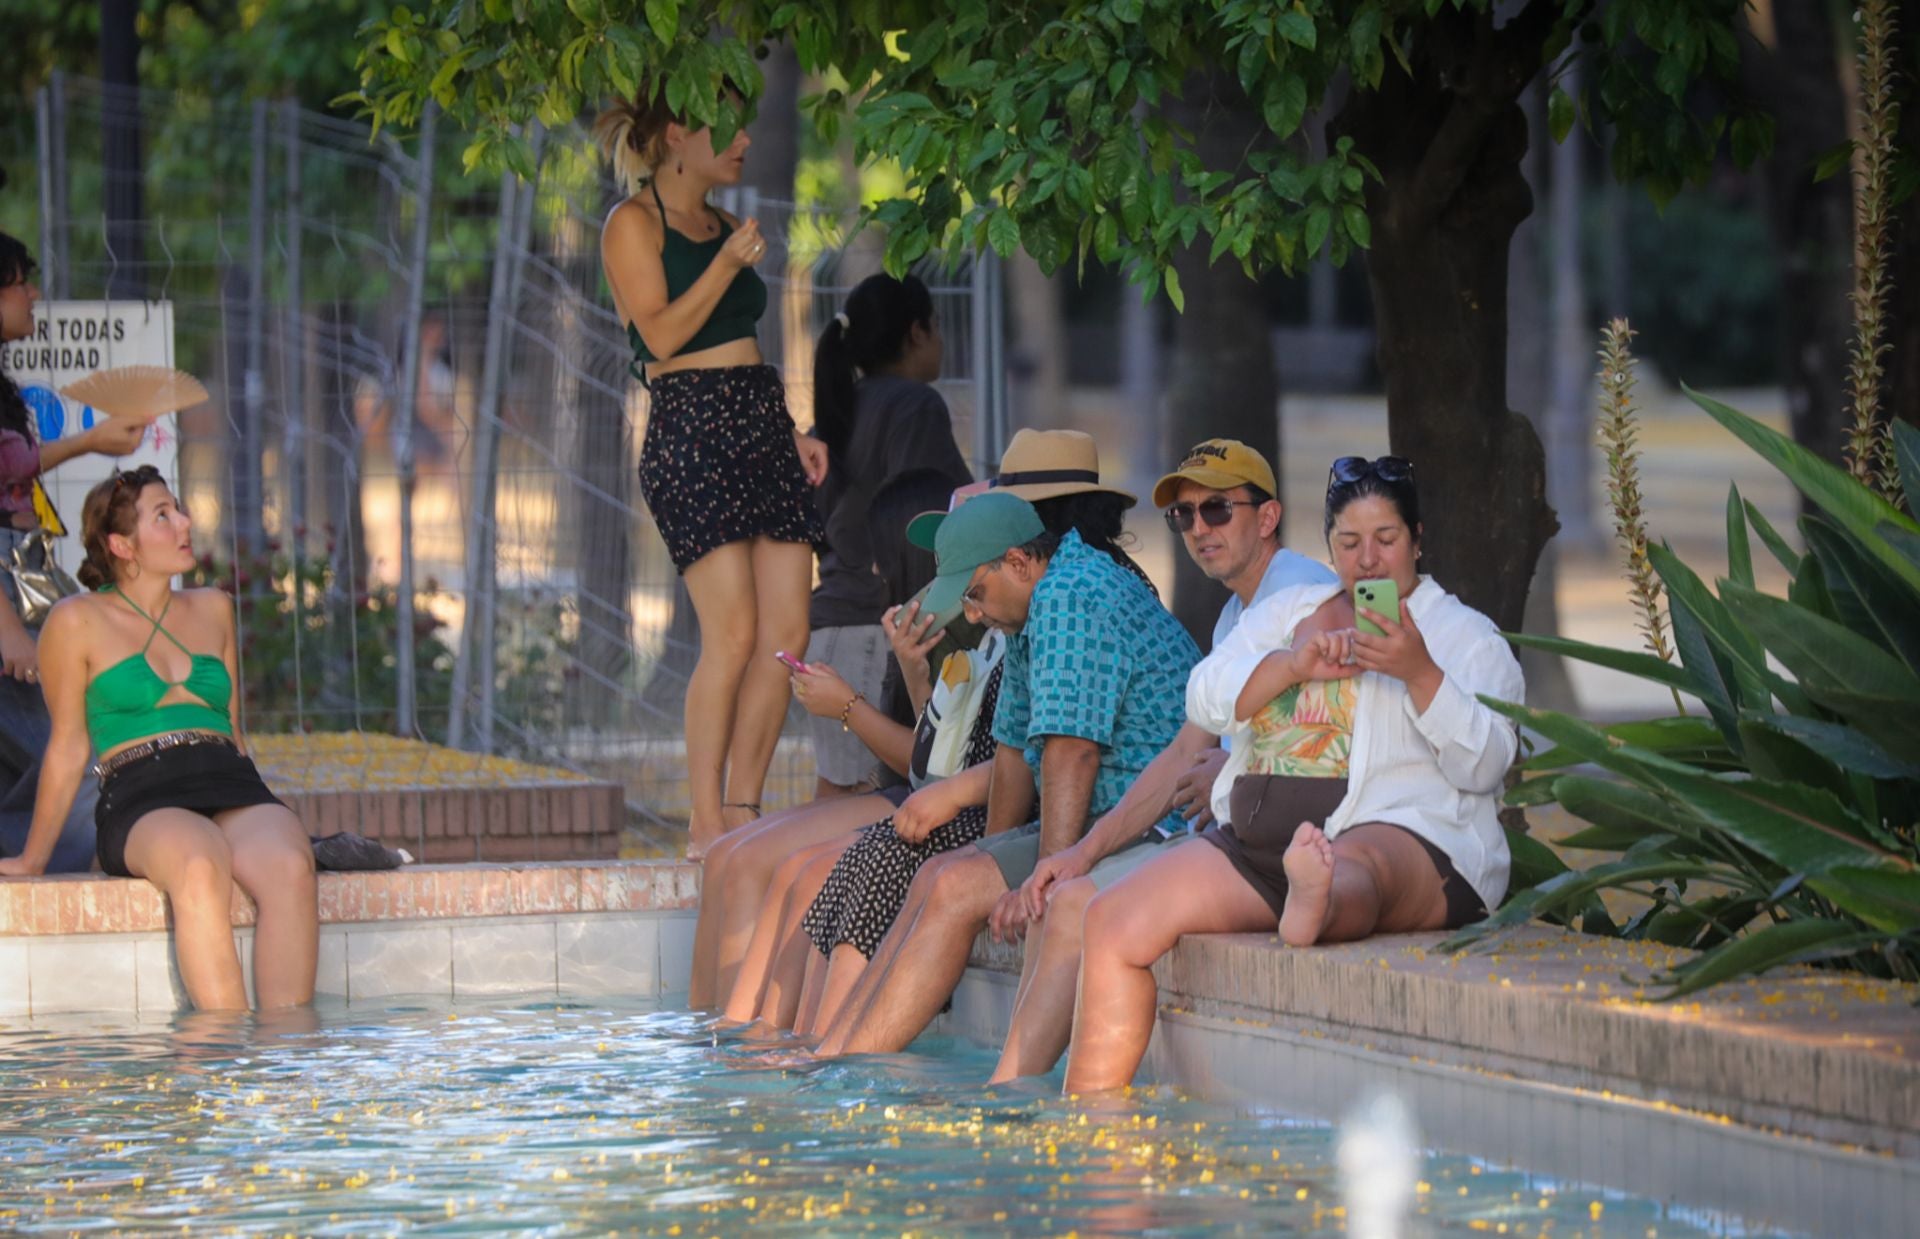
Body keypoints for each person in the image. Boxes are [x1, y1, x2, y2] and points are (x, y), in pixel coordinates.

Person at [1061, 456, 1525, 1092]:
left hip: (1414, 843)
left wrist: (1421, 673)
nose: (1367, 560)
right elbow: (1205, 696)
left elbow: (1488, 766)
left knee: (1360, 864)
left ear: (1417, 539)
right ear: (1329, 546)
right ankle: (1091, 1130)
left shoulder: (1467, 637)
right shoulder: (1296, 611)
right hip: (1257, 848)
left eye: (1386, 540)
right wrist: (1290, 664)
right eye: (1349, 542)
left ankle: (1318, 898)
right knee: (1111, 921)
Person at [687, 430, 1141, 1008]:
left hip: (1001, 810)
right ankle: (735, 1044)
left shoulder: (1057, 600)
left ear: (1021, 544)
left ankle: (801, 1056)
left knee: (801, 871)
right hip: (962, 802)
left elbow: (1042, 752)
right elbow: (958, 753)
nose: (959, 588)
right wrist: (912, 671)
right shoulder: (994, 612)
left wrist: (851, 709)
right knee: (756, 862)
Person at [989, 439, 1335, 1082]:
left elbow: (1327, 745)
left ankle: (1018, 1100)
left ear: (1267, 517)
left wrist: (1229, 778)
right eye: (1184, 516)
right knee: (1065, 893)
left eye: (1217, 510)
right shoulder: (1237, 613)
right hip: (1226, 835)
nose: (1198, 528)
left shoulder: (1303, 595)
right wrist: (1081, 852)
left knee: (1078, 908)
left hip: (1287, 846)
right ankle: (1014, 1094)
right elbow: (1184, 754)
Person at [811, 489, 1199, 1060]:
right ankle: (834, 1054)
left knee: (955, 884)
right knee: (942, 874)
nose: (970, 613)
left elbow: (1073, 754)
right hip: (1102, 815)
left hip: (1157, 821)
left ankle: (848, 1069)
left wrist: (1043, 881)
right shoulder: (1029, 610)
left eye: (974, 594)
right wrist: (990, 857)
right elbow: (1016, 753)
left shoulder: (1071, 593)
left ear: (1018, 562)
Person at [596, 89, 830, 859]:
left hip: (759, 419)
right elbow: (659, 336)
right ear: (673, 138)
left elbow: (744, 345)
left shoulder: (729, 225)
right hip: (690, 426)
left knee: (786, 632)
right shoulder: (632, 224)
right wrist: (726, 265)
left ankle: (742, 804)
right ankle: (703, 820)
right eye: (721, 128)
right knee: (730, 633)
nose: (741, 140)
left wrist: (790, 432)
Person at [0, 466, 318, 1012]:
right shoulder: (75, 620)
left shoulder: (213, 607)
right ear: (122, 544)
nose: (184, 524)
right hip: (141, 791)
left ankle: (284, 1068)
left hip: (226, 777)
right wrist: (33, 859)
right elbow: (69, 748)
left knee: (290, 866)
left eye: (180, 509)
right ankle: (222, 1061)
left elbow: (234, 731)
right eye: (163, 515)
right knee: (199, 862)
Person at [0, 231, 152, 871]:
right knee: (77, 736)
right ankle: (64, 879)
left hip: (22, 578)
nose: (34, 293)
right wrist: (8, 627)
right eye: (20, 281)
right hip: (8, 599)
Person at [806, 273, 971, 797]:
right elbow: (918, 514)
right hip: (878, 628)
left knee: (836, 797)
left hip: (830, 624)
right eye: (937, 327)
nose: (942, 341)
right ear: (916, 333)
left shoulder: (839, 408)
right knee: (864, 806)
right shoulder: (915, 406)